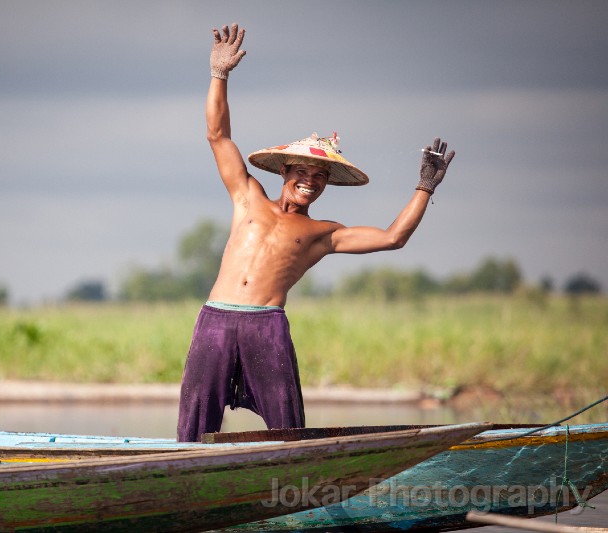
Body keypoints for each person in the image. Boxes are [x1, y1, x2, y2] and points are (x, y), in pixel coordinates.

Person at [176, 23, 455, 442]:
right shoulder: (247, 196)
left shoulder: (322, 233)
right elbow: (218, 135)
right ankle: (184, 481)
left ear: (326, 183)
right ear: (284, 171)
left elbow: (394, 237)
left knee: (287, 425)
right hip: (215, 320)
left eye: (319, 175)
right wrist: (220, 74)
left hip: (264, 326)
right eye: (302, 171)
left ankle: (298, 487)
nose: (310, 180)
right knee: (196, 420)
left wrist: (425, 187)